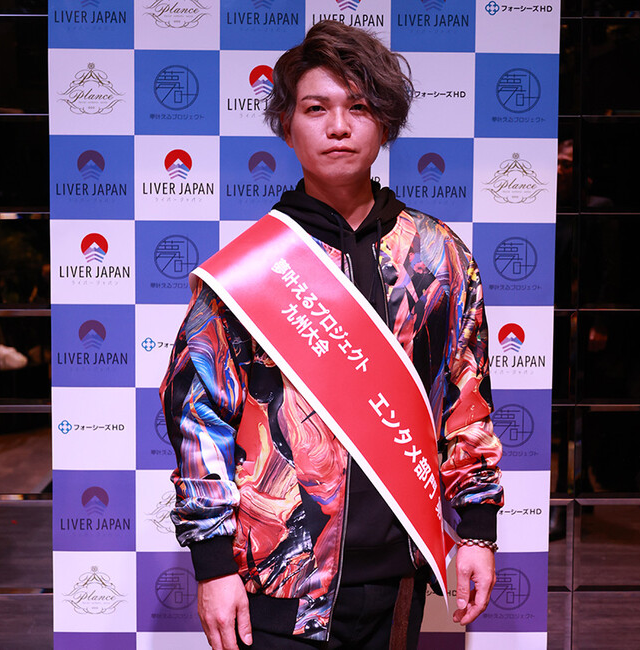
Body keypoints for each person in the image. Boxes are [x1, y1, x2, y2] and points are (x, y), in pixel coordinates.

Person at [161, 20, 503, 650]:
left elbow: (466, 400)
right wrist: (211, 563)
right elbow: (197, 416)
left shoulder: (439, 256)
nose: (338, 127)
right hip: (279, 582)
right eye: (316, 108)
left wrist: (478, 529)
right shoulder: (252, 268)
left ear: (386, 124)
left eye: (360, 108)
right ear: (287, 124)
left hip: (400, 574)